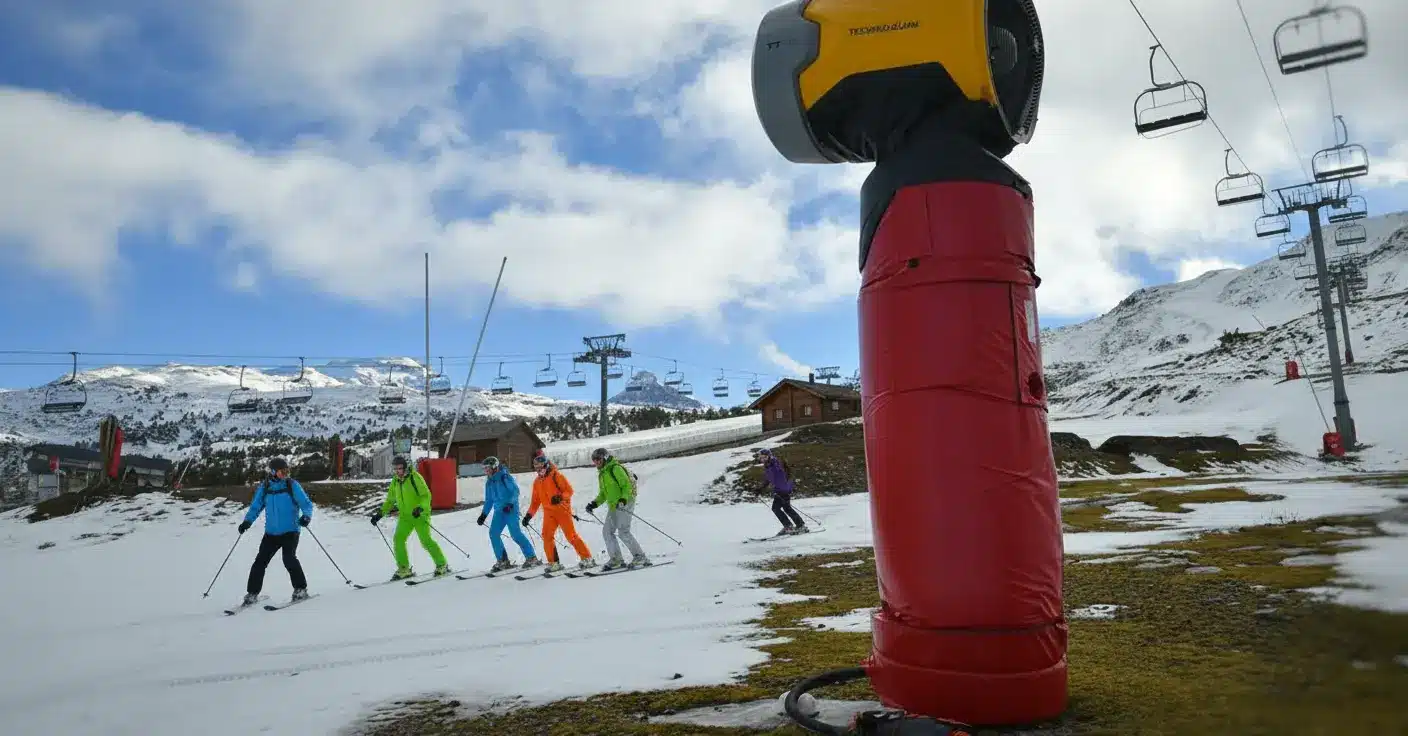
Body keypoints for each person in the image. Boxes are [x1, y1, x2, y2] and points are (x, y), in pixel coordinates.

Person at [237, 457, 313, 605]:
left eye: (287, 470)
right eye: (282, 471)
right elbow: (256, 506)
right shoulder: (265, 487)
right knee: (260, 562)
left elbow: (306, 503)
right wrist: (247, 521)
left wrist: (306, 517)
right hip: (271, 533)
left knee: (289, 559)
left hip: (291, 530)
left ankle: (300, 589)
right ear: (273, 472)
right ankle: (252, 594)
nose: (285, 473)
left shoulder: (292, 485)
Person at [370, 456, 449, 580]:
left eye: (399, 468)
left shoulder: (415, 477)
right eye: (395, 468)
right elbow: (390, 500)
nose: (397, 471)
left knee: (425, 541)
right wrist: (380, 514)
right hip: (405, 517)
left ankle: (442, 564)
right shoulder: (395, 481)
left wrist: (420, 508)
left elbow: (426, 495)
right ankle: (404, 569)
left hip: (419, 515)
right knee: (398, 539)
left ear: (405, 467)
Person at [522, 454, 595, 572]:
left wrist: (560, 497)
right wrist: (528, 515)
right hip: (549, 513)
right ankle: (554, 563)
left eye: (540, 467)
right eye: (536, 468)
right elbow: (535, 502)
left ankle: (587, 558)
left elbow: (569, 491)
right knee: (546, 536)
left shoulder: (556, 476)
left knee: (571, 536)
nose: (538, 470)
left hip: (562, 511)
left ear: (546, 465)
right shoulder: (537, 482)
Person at [583, 448, 650, 570]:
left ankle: (640, 556)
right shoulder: (602, 474)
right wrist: (594, 504)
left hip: (625, 502)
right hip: (614, 505)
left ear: (605, 457)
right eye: (594, 460)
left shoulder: (615, 468)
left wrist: (623, 499)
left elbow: (627, 485)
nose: (596, 462)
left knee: (623, 531)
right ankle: (616, 559)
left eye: (598, 459)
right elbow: (603, 493)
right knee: (607, 532)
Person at [476, 456, 540, 572]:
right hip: (499, 512)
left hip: (510, 510)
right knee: (493, 533)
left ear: (494, 467)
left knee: (515, 534)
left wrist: (510, 504)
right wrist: (483, 515)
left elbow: (515, 491)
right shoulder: (489, 482)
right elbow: (489, 500)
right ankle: (503, 561)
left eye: (487, 468)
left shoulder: (505, 477)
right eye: (484, 469)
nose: (486, 471)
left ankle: (531, 557)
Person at [757, 447, 808, 534]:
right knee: (785, 508)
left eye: (764, 457)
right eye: (761, 457)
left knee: (778, 508)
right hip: (780, 489)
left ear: (769, 456)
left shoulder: (775, 464)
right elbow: (769, 479)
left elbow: (782, 474)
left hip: (784, 489)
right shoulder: (768, 466)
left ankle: (794, 526)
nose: (762, 459)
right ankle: (796, 525)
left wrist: (781, 489)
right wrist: (760, 489)